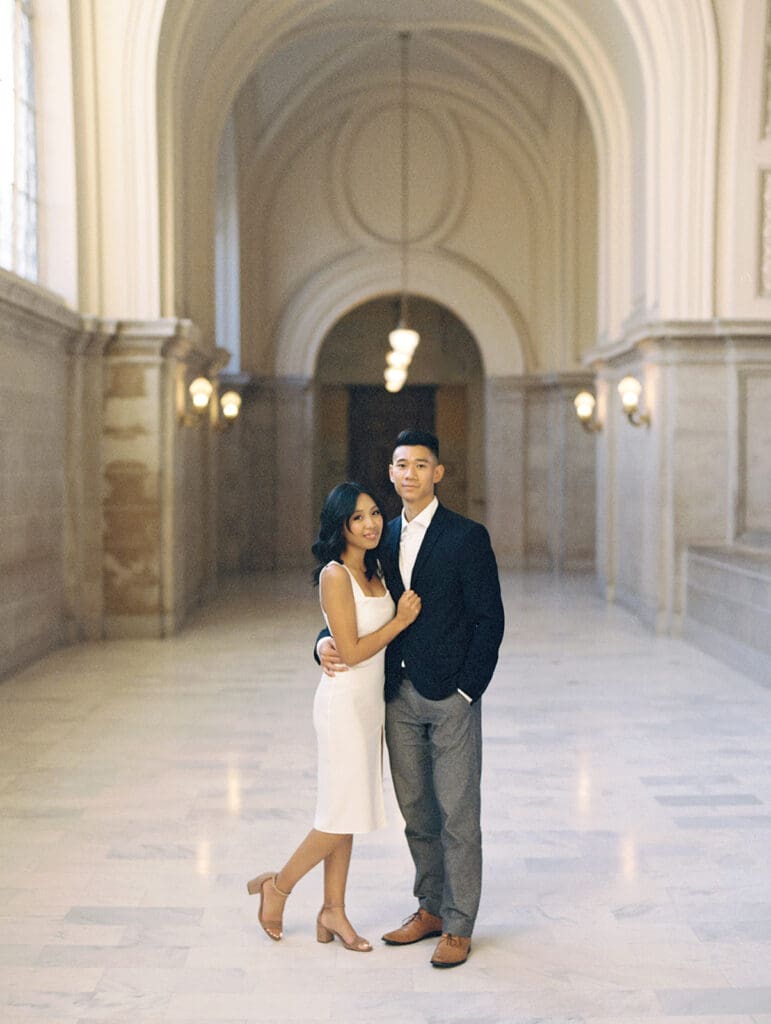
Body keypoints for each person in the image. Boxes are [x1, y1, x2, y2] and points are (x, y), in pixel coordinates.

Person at [317, 429, 504, 968]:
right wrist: (322, 643)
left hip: (452, 697)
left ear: (437, 473)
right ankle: (430, 908)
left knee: (458, 814)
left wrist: (469, 688)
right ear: (392, 471)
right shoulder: (380, 536)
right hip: (395, 696)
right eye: (401, 464)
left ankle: (460, 923)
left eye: (421, 465)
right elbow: (350, 604)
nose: (409, 474)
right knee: (417, 811)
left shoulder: (467, 537)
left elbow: (489, 620)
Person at [247, 482, 421, 952]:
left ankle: (333, 911)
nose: (370, 524)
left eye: (373, 514)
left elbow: (344, 634)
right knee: (335, 817)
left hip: (369, 707)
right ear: (339, 525)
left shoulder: (378, 568)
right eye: (357, 518)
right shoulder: (334, 574)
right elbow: (351, 649)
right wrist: (399, 622)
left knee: (344, 812)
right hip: (343, 704)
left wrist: (325, 639)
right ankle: (277, 888)